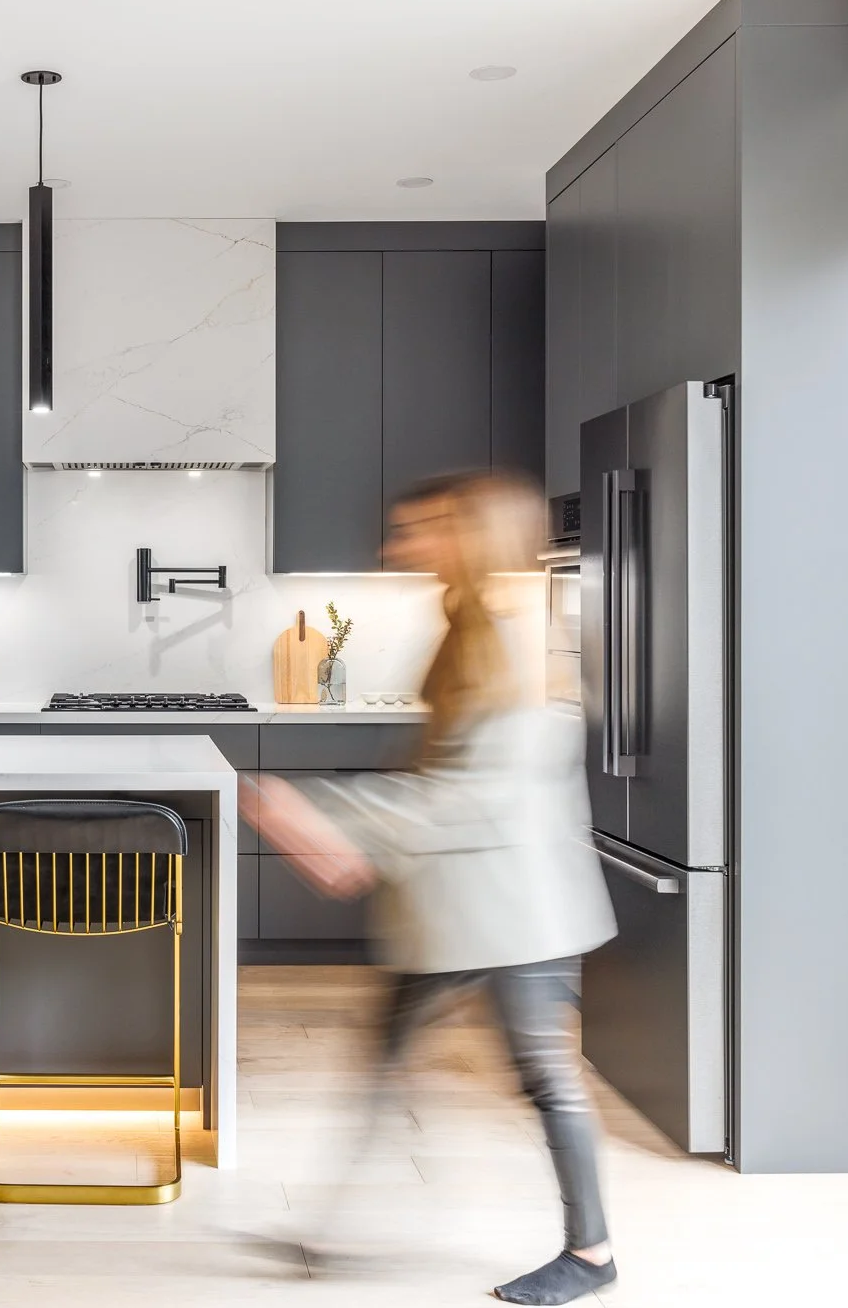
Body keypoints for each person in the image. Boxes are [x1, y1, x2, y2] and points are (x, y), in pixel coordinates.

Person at [247, 468, 618, 1306]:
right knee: (382, 1058)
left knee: (546, 1077)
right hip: (457, 900)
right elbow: (444, 775)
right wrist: (355, 829)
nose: (398, 545)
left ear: (468, 533)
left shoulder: (517, 634)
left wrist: (330, 815)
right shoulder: (472, 622)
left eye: (420, 528)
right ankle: (334, 1228)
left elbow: (474, 789)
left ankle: (591, 1254)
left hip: (517, 906)